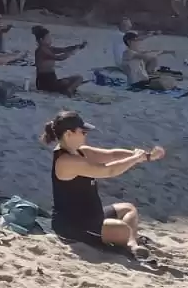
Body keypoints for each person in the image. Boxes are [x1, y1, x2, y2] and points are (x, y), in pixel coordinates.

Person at [42, 109, 164, 256]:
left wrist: (146, 156)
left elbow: (111, 155)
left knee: (128, 209)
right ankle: (132, 245)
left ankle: (131, 242)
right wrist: (134, 159)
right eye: (83, 132)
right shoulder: (66, 161)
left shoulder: (81, 151)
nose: (85, 135)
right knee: (125, 230)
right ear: (69, 134)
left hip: (93, 216)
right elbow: (109, 171)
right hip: (74, 226)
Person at [33, 25, 87, 95]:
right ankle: (68, 91)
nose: (50, 40)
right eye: (48, 38)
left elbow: (64, 49)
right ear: (41, 40)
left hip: (49, 81)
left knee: (73, 80)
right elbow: (59, 58)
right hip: (46, 82)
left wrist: (77, 47)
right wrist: (72, 52)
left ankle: (67, 89)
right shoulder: (42, 50)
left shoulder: (48, 49)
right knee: (78, 78)